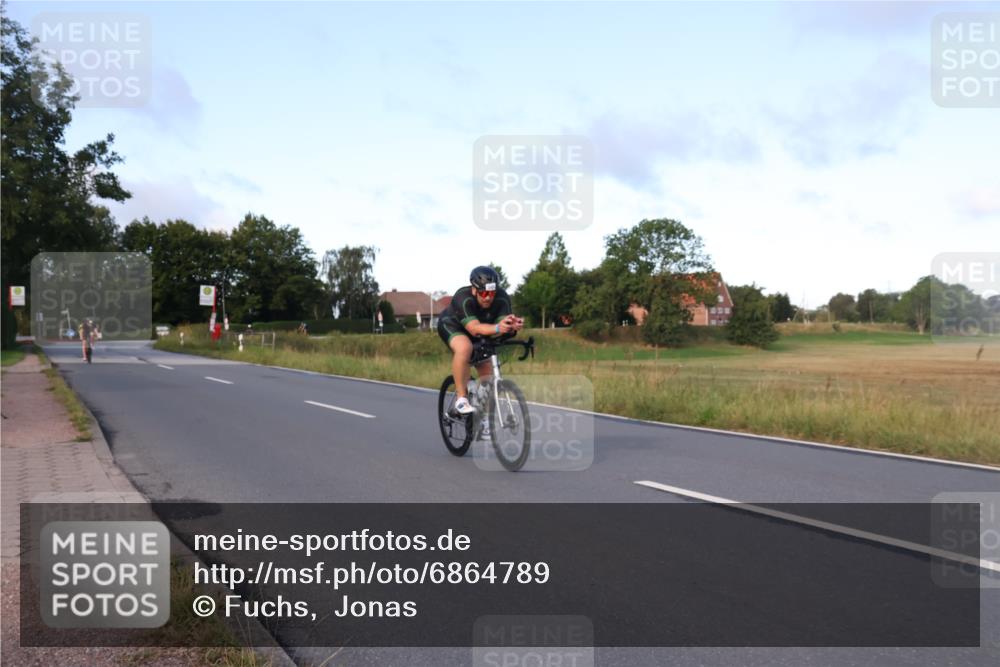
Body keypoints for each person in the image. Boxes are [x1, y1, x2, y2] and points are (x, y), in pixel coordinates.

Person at [437, 266, 524, 416]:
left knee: (488, 374)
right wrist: (498, 327)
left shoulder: (502, 298)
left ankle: (481, 417)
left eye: (492, 293)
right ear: (474, 290)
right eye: (483, 293)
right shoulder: (462, 297)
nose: (488, 297)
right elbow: (474, 329)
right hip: (453, 326)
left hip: (482, 330)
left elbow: (501, 325)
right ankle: (461, 398)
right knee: (465, 348)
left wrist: (511, 326)